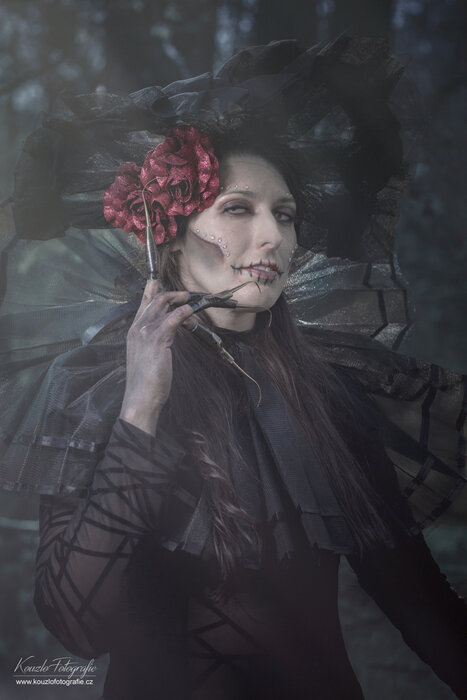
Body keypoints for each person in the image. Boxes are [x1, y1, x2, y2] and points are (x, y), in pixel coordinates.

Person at [1, 35, 466, 700]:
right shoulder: (92, 390)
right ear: (169, 233)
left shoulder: (328, 396)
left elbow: (422, 607)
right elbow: (76, 626)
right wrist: (140, 409)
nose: (273, 235)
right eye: (239, 208)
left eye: (286, 214)